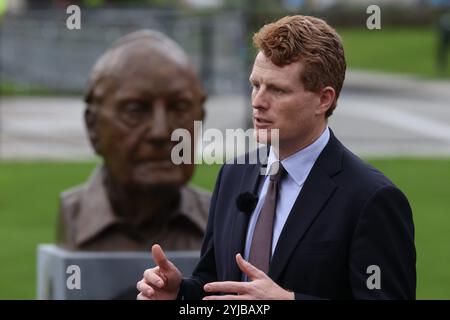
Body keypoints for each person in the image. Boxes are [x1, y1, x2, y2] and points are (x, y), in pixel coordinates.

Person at [136, 15, 416, 300]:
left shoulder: (372, 198)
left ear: (324, 99)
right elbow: (216, 283)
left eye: (277, 90)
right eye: (256, 85)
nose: (258, 101)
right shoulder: (234, 174)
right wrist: (180, 293)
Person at [56, 30, 210, 251]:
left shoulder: (224, 221)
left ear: (200, 120)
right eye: (135, 110)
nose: (160, 132)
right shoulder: (75, 217)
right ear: (93, 126)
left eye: (179, 108)